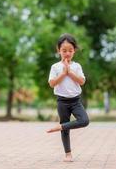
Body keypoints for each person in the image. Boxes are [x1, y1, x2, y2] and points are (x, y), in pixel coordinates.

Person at [47, 33, 89, 162]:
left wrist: (70, 72)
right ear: (58, 50)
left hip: (75, 101)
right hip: (62, 101)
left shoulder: (76, 66)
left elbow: (82, 81)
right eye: (64, 50)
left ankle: (61, 126)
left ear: (74, 51)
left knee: (84, 120)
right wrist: (63, 73)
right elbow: (52, 83)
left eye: (70, 50)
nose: (67, 53)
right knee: (66, 130)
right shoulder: (55, 67)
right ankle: (68, 154)